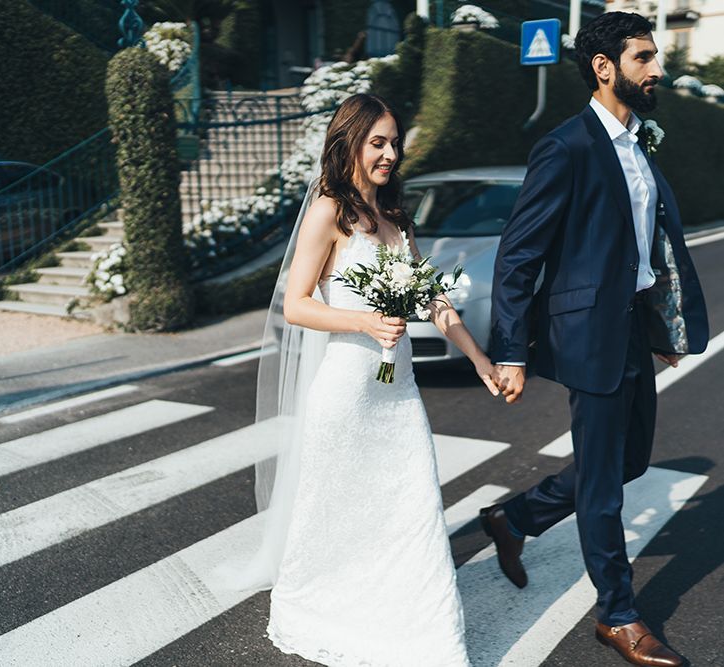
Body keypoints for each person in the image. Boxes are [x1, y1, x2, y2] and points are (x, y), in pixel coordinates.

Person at [480, 11, 708, 667]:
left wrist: (662, 325)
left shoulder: (638, 142)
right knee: (604, 486)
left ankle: (515, 518)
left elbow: (649, 249)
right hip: (586, 334)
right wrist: (509, 348)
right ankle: (618, 614)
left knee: (629, 462)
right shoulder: (567, 146)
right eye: (643, 57)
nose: (657, 69)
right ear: (603, 67)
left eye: (654, 56)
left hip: (632, 327)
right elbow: (518, 255)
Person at [253, 93, 498, 667]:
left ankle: (424, 633)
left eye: (395, 143)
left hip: (398, 390)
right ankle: (337, 607)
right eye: (378, 142)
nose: (390, 153)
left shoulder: (396, 221)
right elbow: (295, 305)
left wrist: (480, 359)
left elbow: (433, 300)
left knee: (411, 504)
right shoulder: (328, 212)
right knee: (341, 509)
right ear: (351, 144)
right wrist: (362, 319)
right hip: (346, 386)